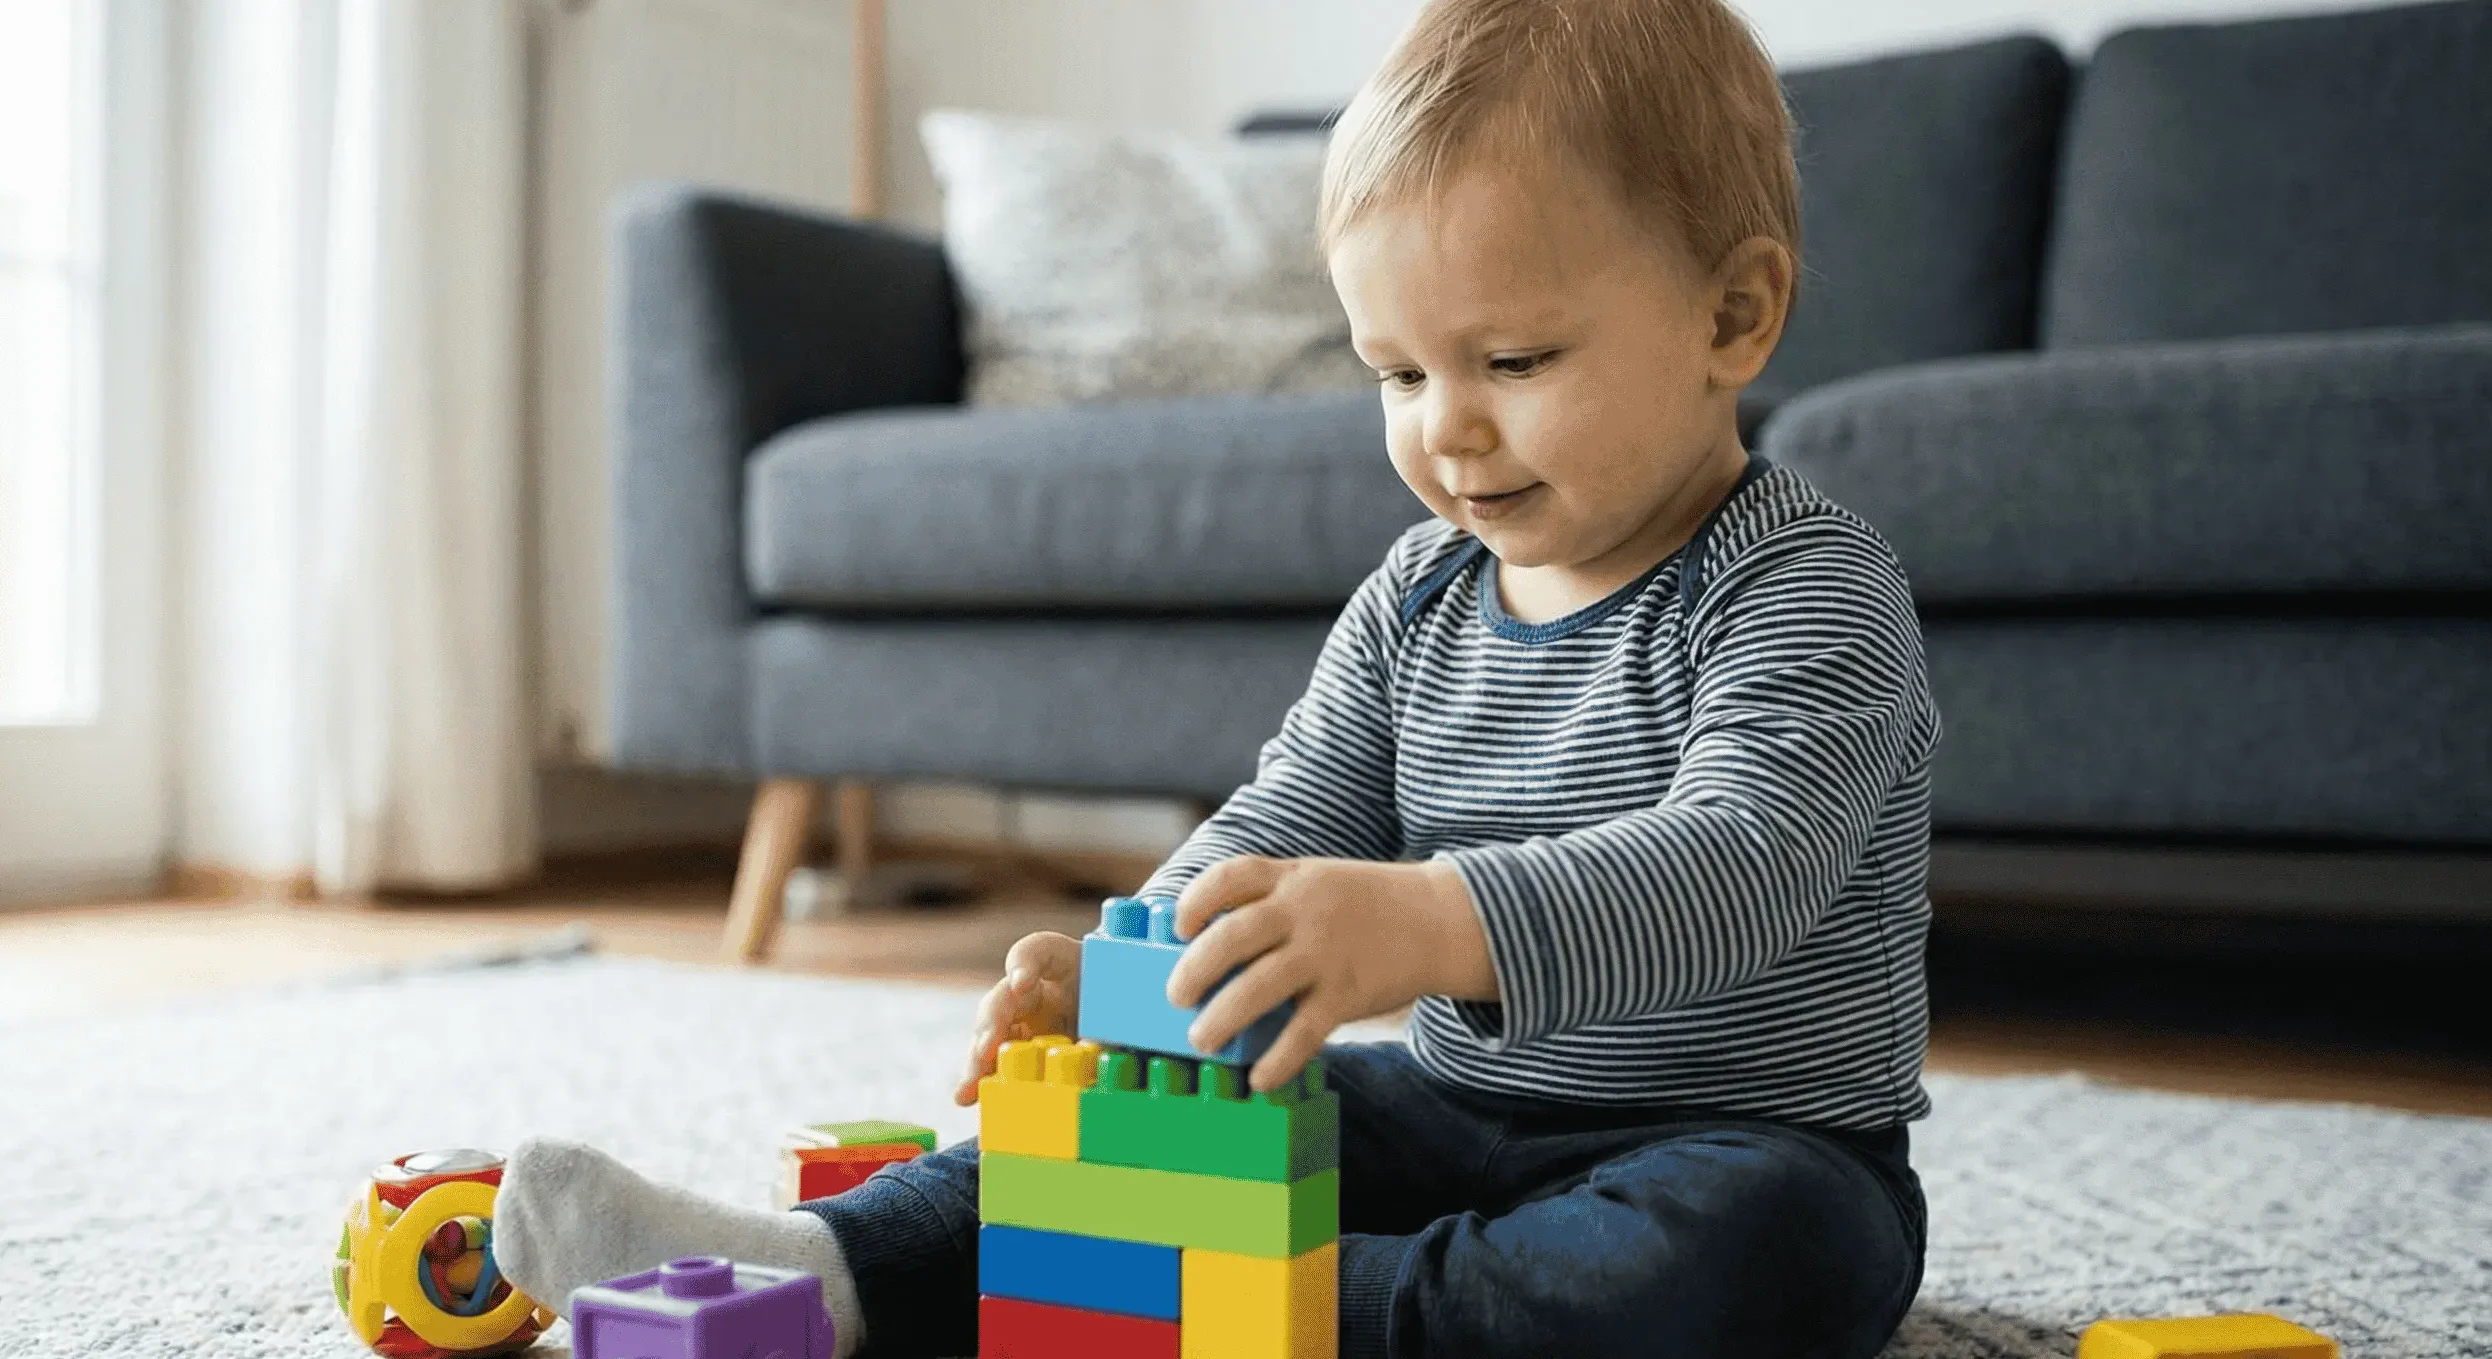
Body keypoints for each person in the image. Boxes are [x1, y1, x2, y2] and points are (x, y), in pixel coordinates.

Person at [494, 1, 1938, 1353]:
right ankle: (816, 1268)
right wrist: (1132, 968)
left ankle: (1244, 1306)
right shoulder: (1419, 595)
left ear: (1733, 316)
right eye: (1398, 374)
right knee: (1115, 1123)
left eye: (1509, 356)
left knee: (1735, 1261)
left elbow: (1741, 867)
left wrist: (1433, 922)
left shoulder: (1804, 588)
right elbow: (1282, 821)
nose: (1449, 432)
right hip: (1447, 1108)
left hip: (1751, 1139)